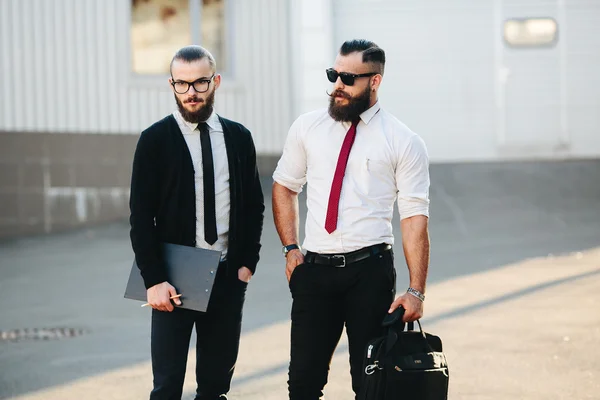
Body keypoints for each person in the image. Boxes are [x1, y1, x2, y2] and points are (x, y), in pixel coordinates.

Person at [272, 39, 431, 399]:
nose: (337, 85)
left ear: (374, 82)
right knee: (302, 384)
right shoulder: (308, 127)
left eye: (348, 78)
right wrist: (290, 248)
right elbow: (284, 186)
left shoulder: (403, 141)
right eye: (334, 74)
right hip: (314, 272)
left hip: (369, 273)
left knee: (372, 384)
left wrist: (416, 289)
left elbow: (414, 218)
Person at [129, 45, 264, 400]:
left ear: (215, 82)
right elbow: (141, 217)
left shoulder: (238, 138)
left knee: (216, 387)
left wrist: (247, 264)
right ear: (171, 85)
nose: (191, 92)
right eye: (182, 84)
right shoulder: (154, 140)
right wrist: (153, 279)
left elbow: (252, 205)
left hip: (226, 274)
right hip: (175, 278)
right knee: (168, 385)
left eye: (200, 83)